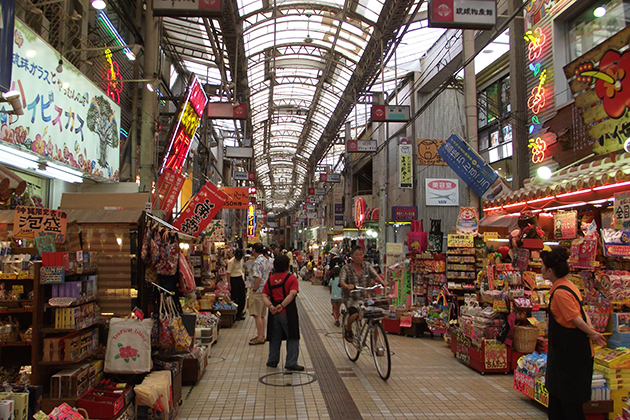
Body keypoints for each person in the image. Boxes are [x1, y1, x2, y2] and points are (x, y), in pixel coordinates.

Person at [542, 246, 606, 420]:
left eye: (542, 266)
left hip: (570, 356)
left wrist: (592, 334)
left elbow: (576, 319)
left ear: (550, 270)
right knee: (558, 401)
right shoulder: (568, 285)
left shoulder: (561, 292)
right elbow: (583, 313)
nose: (540, 269)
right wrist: (591, 330)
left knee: (570, 405)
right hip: (567, 354)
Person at [262, 254, 303, 371]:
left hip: (274, 313)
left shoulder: (271, 279)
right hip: (287, 312)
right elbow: (293, 293)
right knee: (292, 336)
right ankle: (291, 362)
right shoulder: (291, 278)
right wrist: (282, 305)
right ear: (287, 266)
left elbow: (264, 295)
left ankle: (273, 360)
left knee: (275, 337)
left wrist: (271, 306)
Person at [339, 245, 388, 342]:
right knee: (354, 314)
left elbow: (375, 275)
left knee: (375, 317)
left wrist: (382, 282)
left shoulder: (367, 266)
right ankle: (348, 328)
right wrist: (346, 285)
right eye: (356, 255)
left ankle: (376, 345)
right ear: (351, 256)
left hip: (365, 297)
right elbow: (342, 281)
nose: (359, 257)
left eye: (361, 254)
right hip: (351, 297)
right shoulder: (346, 268)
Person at [248, 243, 270, 345]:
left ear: (253, 250)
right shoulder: (266, 260)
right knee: (262, 315)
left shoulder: (257, 262)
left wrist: (254, 290)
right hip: (265, 290)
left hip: (257, 291)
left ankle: (260, 337)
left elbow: (258, 277)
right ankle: (262, 335)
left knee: (257, 315)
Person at [226, 248, 246, 321]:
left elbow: (241, 269)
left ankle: (240, 312)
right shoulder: (231, 262)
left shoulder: (241, 260)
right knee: (235, 297)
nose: (239, 259)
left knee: (242, 296)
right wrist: (229, 284)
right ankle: (235, 315)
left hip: (240, 278)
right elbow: (228, 273)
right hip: (233, 279)